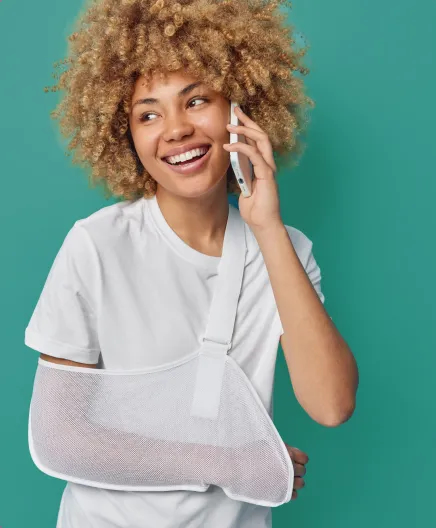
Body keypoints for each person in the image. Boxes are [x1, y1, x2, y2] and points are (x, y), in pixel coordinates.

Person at [26, 0, 359, 526]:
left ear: (240, 110)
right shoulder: (97, 245)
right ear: (125, 136)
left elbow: (332, 405)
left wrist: (268, 227)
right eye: (148, 113)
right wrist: (230, 462)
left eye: (196, 99)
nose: (176, 129)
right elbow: (60, 439)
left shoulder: (285, 249)